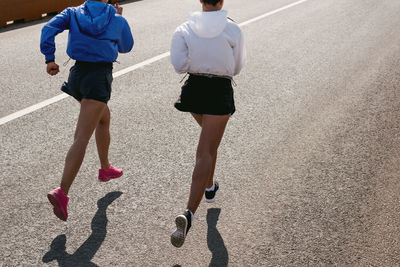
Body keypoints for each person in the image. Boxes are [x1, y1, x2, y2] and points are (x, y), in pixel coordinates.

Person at [40, 0, 133, 221]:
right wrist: (119, 20)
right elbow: (126, 47)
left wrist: (50, 58)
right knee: (81, 137)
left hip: (77, 75)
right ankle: (62, 192)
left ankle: (105, 168)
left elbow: (48, 28)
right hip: (98, 78)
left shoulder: (72, 13)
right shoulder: (116, 18)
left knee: (103, 119)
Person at [169, 0, 245, 247]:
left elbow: (179, 65)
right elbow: (237, 67)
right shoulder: (233, 29)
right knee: (205, 151)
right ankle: (189, 213)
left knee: (210, 145)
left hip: (194, 90)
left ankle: (210, 187)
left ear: (200, 1)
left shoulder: (184, 28)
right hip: (219, 90)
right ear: (221, 1)